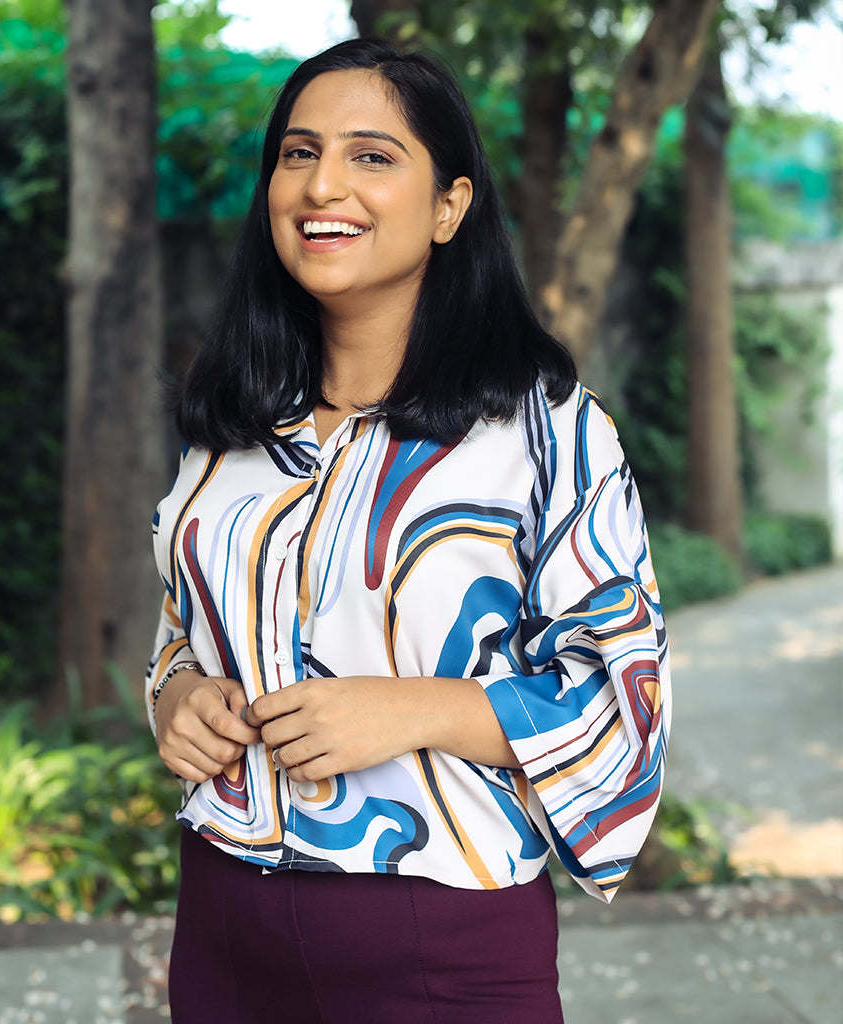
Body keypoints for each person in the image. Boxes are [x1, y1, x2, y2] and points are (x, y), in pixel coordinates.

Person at [145, 37, 670, 1023]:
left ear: (448, 207)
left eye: (371, 156)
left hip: (442, 942)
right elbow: (179, 631)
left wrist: (417, 709)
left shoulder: (545, 430)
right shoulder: (232, 423)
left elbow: (622, 702)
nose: (321, 185)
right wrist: (175, 696)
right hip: (220, 926)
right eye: (298, 154)